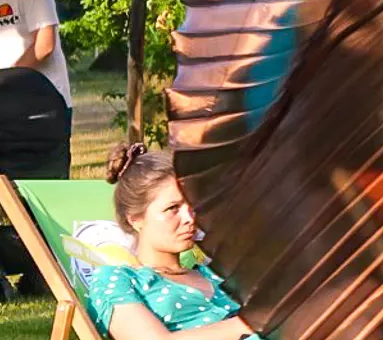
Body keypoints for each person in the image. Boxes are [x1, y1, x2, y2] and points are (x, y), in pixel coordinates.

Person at [86, 144, 258, 339]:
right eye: (173, 208)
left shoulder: (214, 273)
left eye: (192, 205)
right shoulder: (117, 280)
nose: (190, 218)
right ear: (135, 219)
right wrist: (251, 324)